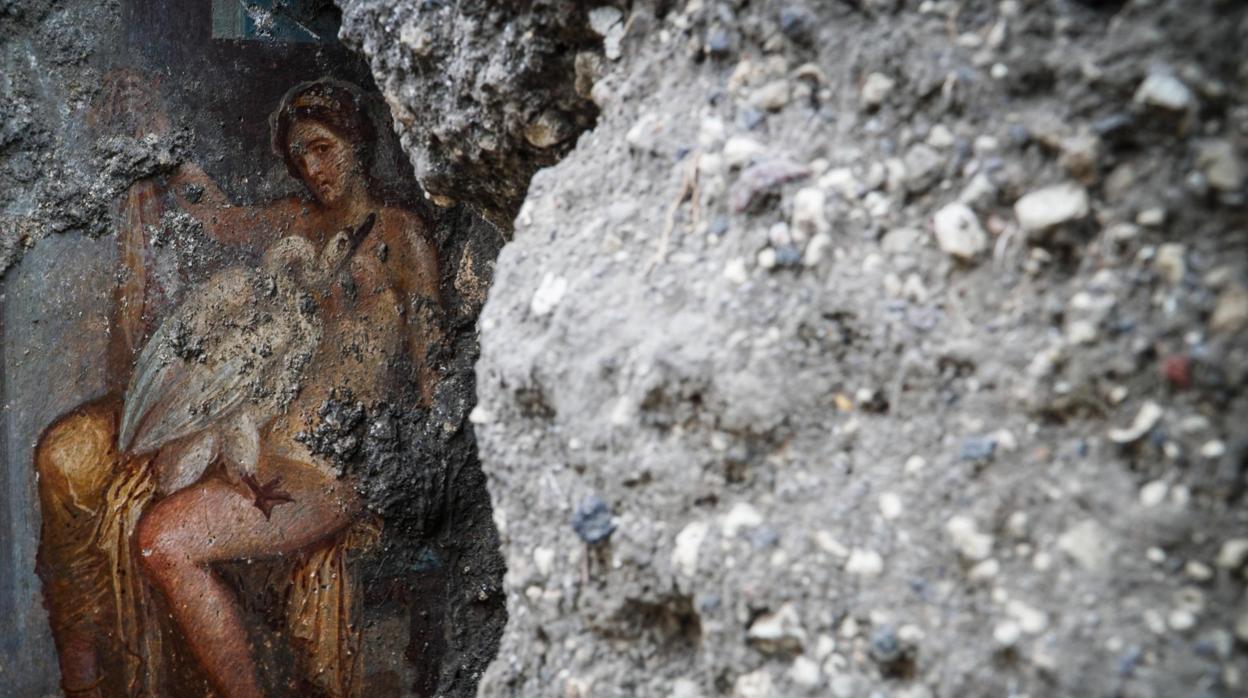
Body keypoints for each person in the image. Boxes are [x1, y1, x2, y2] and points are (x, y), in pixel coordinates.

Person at [34, 77, 441, 697]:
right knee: (114, 497)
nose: (312, 166)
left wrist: (423, 461)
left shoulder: (401, 236)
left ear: (356, 144)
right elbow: (216, 216)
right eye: (300, 155)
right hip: (261, 449)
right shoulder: (293, 221)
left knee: (164, 539)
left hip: (331, 468)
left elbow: (433, 364)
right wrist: (161, 144)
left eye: (323, 147)